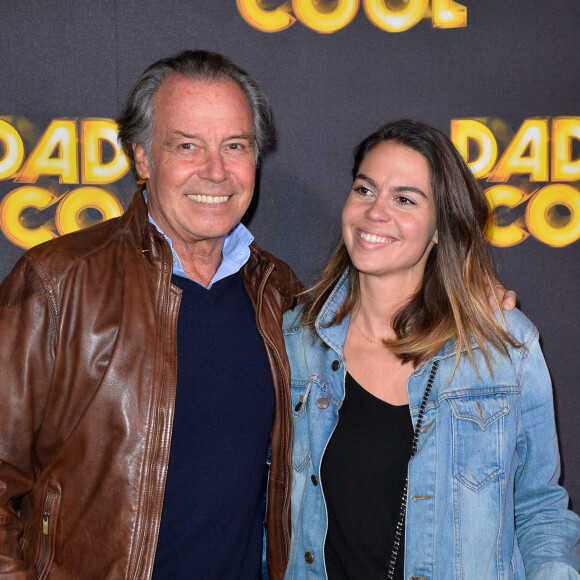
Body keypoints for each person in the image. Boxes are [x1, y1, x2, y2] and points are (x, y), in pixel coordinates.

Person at [0, 50, 303, 579]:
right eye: (187, 145)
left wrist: (470, 298)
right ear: (143, 159)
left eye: (235, 146)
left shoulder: (280, 293)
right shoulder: (57, 283)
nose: (216, 171)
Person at [282, 120, 580, 579]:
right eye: (365, 189)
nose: (375, 212)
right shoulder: (296, 342)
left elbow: (539, 509)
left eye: (404, 199)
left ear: (441, 227)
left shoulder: (505, 350)